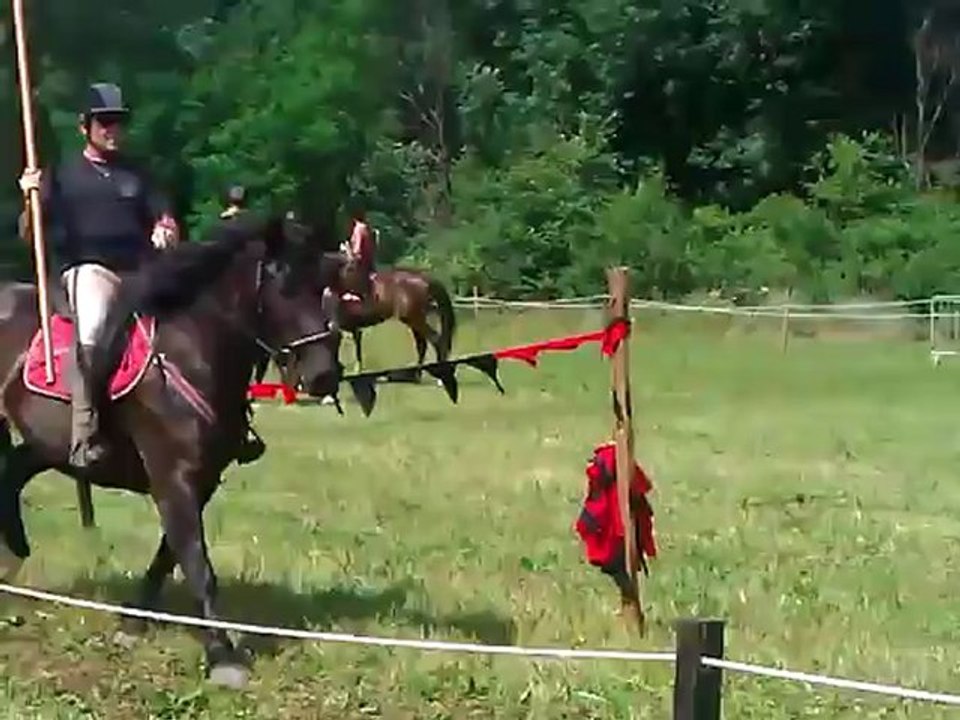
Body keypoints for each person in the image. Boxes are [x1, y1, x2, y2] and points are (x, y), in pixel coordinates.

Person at [17, 82, 179, 468]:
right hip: (90, 271)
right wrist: (31, 197)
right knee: (92, 332)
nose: (112, 130)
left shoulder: (139, 175)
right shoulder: (62, 175)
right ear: (84, 127)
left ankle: (224, 424)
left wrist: (167, 230)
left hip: (141, 270)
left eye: (118, 123)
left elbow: (165, 217)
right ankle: (83, 435)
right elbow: (29, 233)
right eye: (104, 122)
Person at [340, 204, 377, 304]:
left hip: (360, 262)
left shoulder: (358, 229)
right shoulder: (366, 227)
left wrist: (346, 249)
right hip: (368, 261)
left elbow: (357, 251)